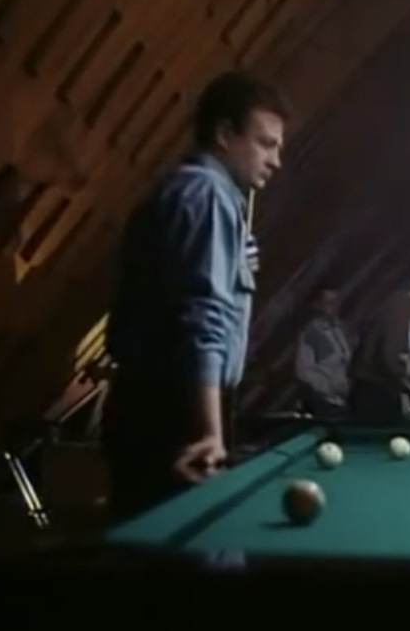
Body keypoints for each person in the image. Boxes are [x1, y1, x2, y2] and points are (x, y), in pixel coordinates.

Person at [102, 71, 290, 521]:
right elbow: (204, 319)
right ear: (224, 134)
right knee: (190, 558)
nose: (276, 161)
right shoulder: (207, 195)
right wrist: (209, 431)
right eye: (266, 144)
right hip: (175, 413)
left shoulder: (194, 191)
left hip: (159, 406)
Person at [347, 251, 410, 423]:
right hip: (376, 397)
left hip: (371, 392)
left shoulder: (401, 301)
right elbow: (393, 360)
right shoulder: (407, 305)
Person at [294, 285, 352, 417]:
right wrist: (332, 386)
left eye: (337, 302)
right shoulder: (311, 334)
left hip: (346, 401)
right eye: (329, 303)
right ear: (318, 305)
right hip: (326, 402)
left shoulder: (343, 330)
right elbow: (304, 372)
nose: (334, 307)